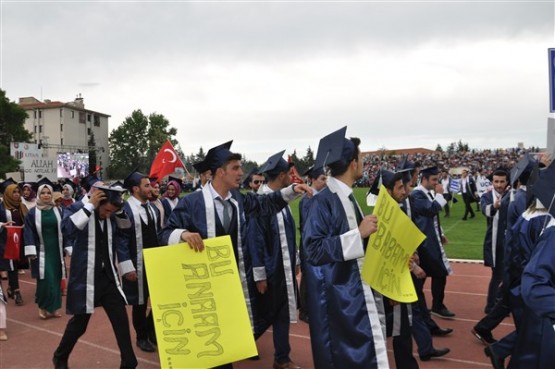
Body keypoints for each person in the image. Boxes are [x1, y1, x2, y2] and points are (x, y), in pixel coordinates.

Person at [160, 140, 310, 369]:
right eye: (236, 168)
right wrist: (182, 235)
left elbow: (266, 204)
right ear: (220, 172)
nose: (242, 172)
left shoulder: (238, 200)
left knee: (225, 346)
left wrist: (292, 190)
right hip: (204, 289)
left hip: (233, 285)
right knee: (212, 350)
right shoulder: (192, 202)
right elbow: (164, 234)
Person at [302, 127, 388, 369]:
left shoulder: (347, 197)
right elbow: (313, 250)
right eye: (361, 159)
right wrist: (357, 234)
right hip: (338, 298)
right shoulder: (322, 201)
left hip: (355, 290)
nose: (363, 163)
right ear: (352, 164)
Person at [52, 186, 137, 369]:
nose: (108, 215)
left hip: (109, 278)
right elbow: (67, 229)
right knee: (79, 324)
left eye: (111, 212)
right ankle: (60, 357)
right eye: (106, 210)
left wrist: (118, 210)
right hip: (86, 277)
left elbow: (125, 229)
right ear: (97, 201)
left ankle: (129, 362)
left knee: (120, 320)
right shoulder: (77, 208)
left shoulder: (112, 214)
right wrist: (89, 206)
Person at [246, 151, 302, 369]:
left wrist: (295, 259)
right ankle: (239, 342)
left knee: (282, 313)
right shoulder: (261, 202)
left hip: (282, 268)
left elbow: (288, 235)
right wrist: (260, 274)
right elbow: (255, 239)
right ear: (281, 175)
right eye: (289, 173)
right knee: (265, 315)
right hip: (269, 269)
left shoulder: (282, 200)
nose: (292, 177)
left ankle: (282, 358)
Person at [369, 169, 420, 369]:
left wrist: (412, 260)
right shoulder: (381, 217)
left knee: (402, 331)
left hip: (400, 279)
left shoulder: (395, 211)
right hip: (391, 287)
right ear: (387, 190)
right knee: (398, 332)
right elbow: (380, 256)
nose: (405, 191)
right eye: (399, 187)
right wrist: (391, 290)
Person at [118, 170, 161, 353]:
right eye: (147, 185)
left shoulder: (151, 207)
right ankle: (141, 337)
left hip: (155, 262)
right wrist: (127, 267)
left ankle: (152, 331)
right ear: (136, 189)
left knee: (161, 299)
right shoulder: (125, 210)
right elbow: (121, 240)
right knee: (140, 303)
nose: (150, 188)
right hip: (138, 263)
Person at [410, 165, 455, 319]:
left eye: (437, 180)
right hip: (424, 244)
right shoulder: (417, 195)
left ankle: (432, 306)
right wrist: (440, 195)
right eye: (434, 180)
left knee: (434, 274)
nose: (437, 183)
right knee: (434, 273)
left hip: (430, 239)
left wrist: (440, 233)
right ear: (424, 179)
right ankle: (428, 306)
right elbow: (431, 210)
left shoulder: (426, 194)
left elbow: (432, 218)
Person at [23, 178, 71, 319]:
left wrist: (68, 246)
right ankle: (43, 307)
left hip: (56, 250)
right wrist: (31, 250)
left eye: (48, 193)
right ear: (38, 194)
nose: (45, 195)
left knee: (56, 279)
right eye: (43, 193)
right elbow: (29, 232)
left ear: (51, 195)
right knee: (45, 280)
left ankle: (54, 308)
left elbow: (65, 230)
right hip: (40, 251)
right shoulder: (32, 213)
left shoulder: (58, 211)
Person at [297, 165, 327, 323]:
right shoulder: (307, 200)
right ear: (312, 180)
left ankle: (315, 307)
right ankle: (305, 310)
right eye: (322, 179)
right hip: (309, 245)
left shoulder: (321, 198)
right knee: (308, 277)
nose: (325, 182)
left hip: (318, 244)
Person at [479, 169, 510, 314]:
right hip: (495, 242)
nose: (499, 185)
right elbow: (485, 210)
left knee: (508, 274)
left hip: (510, 241)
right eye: (496, 181)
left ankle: (499, 302)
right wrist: (495, 206)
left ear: (507, 181)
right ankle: (491, 305)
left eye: (502, 181)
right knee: (498, 275)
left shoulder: (512, 195)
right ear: (492, 182)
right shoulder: (487, 196)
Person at [0, 181, 28, 306]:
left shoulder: (22, 206)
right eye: (14, 192)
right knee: (11, 265)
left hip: (20, 240)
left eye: (18, 192)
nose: (16, 195)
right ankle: (17, 292)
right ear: (7, 194)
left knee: (16, 264)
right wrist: (2, 225)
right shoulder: (2, 207)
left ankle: (11, 288)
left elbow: (28, 220)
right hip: (6, 240)